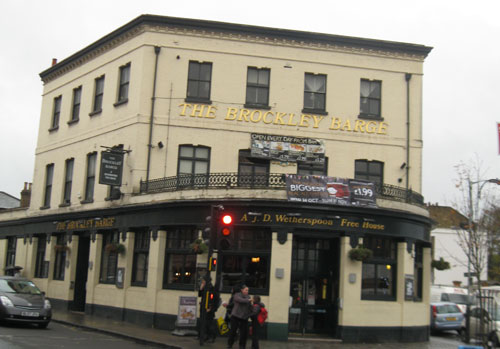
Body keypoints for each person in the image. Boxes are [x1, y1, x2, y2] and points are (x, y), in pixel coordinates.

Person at [227, 285, 252, 349]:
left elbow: (249, 307)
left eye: (248, 290)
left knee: (243, 332)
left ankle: (242, 345)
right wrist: (249, 300)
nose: (247, 291)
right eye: (246, 290)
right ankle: (230, 344)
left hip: (244, 317)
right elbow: (240, 300)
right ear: (242, 290)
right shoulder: (237, 295)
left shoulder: (248, 297)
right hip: (235, 316)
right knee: (233, 331)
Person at [199, 275, 220, 343]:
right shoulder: (205, 287)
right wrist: (201, 288)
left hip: (209, 308)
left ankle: (211, 336)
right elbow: (200, 295)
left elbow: (212, 299)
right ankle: (205, 336)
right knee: (204, 323)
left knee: (209, 323)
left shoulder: (211, 288)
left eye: (203, 280)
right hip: (204, 307)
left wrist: (210, 307)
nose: (202, 282)